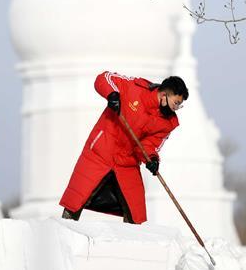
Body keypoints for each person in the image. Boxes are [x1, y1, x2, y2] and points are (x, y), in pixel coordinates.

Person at [59, 71, 188, 224]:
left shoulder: (168, 122)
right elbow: (104, 78)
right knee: (76, 198)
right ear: (164, 95)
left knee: (136, 214)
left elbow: (149, 145)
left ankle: (130, 238)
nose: (176, 108)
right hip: (101, 151)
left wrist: (152, 159)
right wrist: (111, 94)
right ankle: (64, 229)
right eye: (176, 103)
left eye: (179, 105)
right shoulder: (135, 88)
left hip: (127, 162)